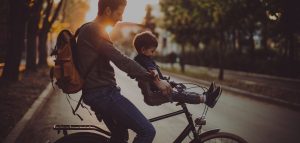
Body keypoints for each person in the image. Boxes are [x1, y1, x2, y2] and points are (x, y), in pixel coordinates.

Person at [76, 0, 172, 142]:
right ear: (108, 10)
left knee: (120, 137)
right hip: (103, 94)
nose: (121, 18)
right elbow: (120, 60)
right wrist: (155, 80)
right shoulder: (95, 29)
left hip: (98, 92)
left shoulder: (88, 28)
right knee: (147, 131)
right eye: (119, 13)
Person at [133, 31, 222, 107]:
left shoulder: (142, 59)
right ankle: (206, 99)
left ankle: (205, 96)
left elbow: (154, 78)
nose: (153, 54)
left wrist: (169, 83)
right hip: (153, 95)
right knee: (181, 95)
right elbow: (153, 72)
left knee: (182, 92)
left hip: (156, 92)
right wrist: (157, 77)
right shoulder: (144, 60)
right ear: (143, 49)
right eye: (152, 51)